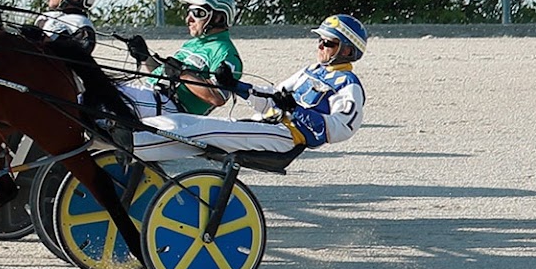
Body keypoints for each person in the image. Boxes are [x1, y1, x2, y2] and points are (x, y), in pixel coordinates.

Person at [134, 14, 369, 159]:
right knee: (191, 124)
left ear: (347, 50)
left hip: (285, 135)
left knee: (195, 130)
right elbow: (272, 97)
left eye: (328, 42)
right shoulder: (309, 71)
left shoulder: (349, 86)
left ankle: (133, 145)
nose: (320, 46)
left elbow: (339, 129)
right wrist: (234, 85)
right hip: (265, 125)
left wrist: (297, 110)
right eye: (319, 41)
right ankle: (134, 132)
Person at [120, 0, 244, 117]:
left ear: (218, 17)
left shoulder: (226, 52)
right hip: (151, 97)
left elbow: (217, 97)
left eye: (197, 13)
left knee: (109, 96)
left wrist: (182, 73)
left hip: (173, 109)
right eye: (188, 12)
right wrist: (145, 57)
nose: (188, 19)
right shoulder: (191, 44)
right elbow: (167, 74)